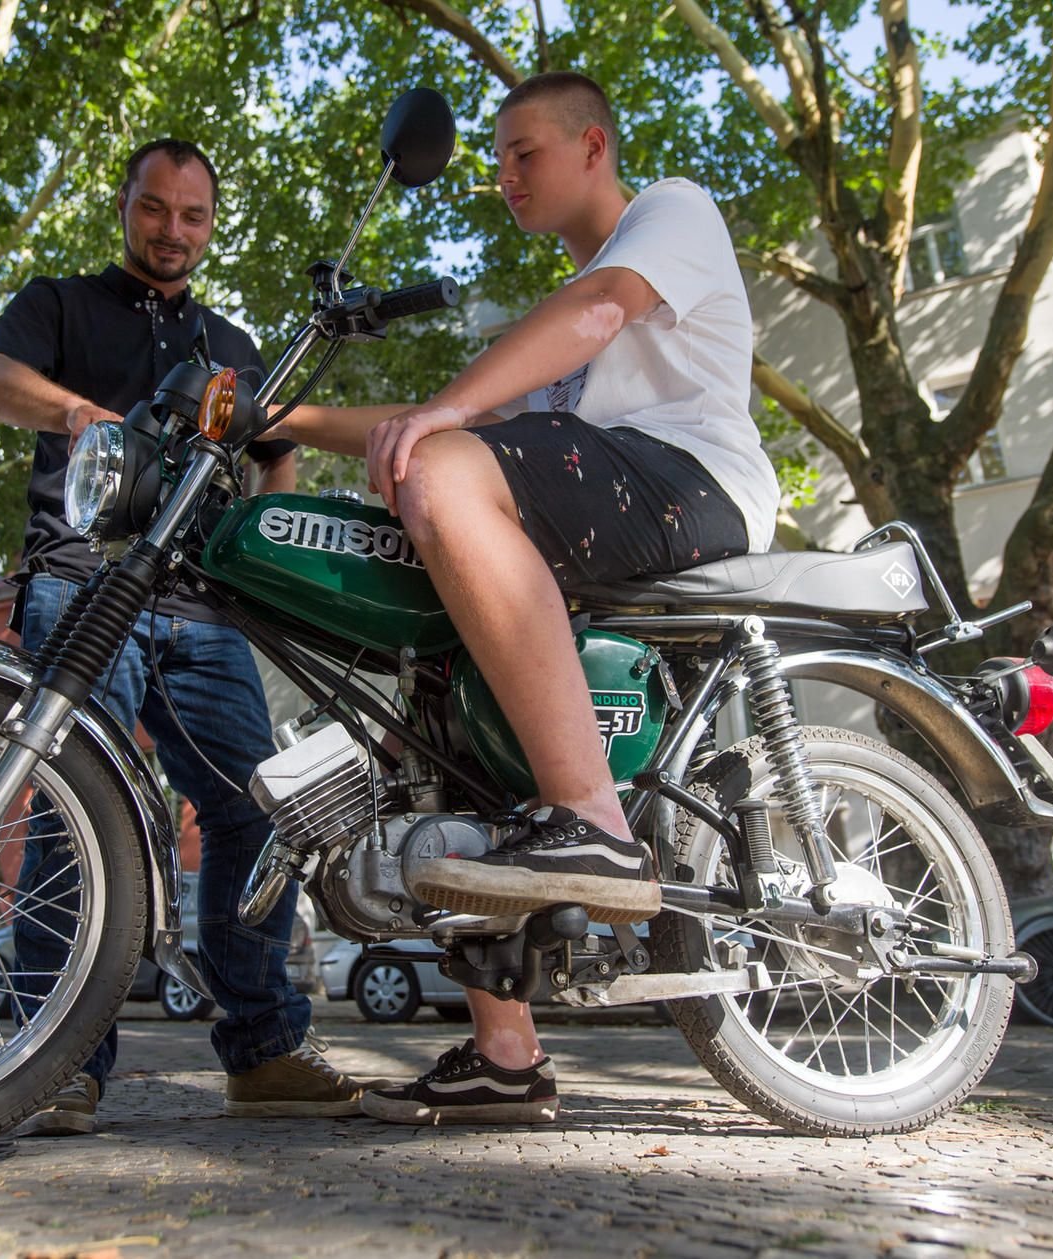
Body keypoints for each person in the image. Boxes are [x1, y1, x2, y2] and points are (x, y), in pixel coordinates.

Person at [275, 72, 778, 1124]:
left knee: (438, 468)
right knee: (439, 707)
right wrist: (278, 419)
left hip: (695, 484)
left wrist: (445, 421)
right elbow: (442, 417)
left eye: (523, 152)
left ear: (593, 146)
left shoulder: (668, 212)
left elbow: (591, 316)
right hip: (602, 493)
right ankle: (506, 1053)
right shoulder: (549, 345)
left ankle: (593, 819)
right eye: (497, 159)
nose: (502, 176)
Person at [0, 138, 367, 1134]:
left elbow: (274, 453)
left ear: (211, 224)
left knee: (255, 809)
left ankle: (264, 1050)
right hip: (81, 579)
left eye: (192, 215)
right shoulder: (60, 303)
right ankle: (58, 1059)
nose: (172, 230)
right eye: (155, 208)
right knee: (73, 808)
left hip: (203, 604)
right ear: (124, 205)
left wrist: (256, 545)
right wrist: (77, 412)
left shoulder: (232, 343)